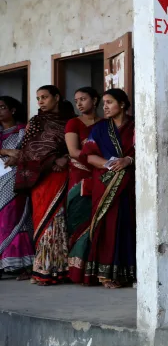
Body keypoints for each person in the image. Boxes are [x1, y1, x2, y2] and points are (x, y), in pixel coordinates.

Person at [76, 89, 136, 288]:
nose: (105, 107)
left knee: (127, 224)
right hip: (105, 183)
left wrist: (128, 160)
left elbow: (145, 150)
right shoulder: (100, 128)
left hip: (129, 184)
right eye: (104, 104)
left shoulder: (137, 126)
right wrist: (111, 165)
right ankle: (105, 275)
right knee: (106, 225)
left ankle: (126, 273)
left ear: (122, 104)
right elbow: (89, 156)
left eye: (110, 102)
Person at [15, 85, 74, 285]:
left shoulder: (70, 120)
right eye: (38, 98)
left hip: (64, 174)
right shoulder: (36, 122)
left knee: (61, 219)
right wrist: (53, 159)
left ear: (56, 97)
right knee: (45, 220)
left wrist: (65, 158)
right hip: (41, 177)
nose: (40, 101)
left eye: (44, 97)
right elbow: (29, 151)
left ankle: (62, 268)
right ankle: (44, 268)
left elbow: (79, 146)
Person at [65, 87, 101, 283]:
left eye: (83, 99)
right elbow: (73, 151)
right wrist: (99, 160)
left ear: (94, 100)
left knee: (98, 221)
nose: (79, 103)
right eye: (76, 100)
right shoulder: (73, 123)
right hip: (80, 177)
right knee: (79, 221)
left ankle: (94, 270)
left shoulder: (105, 123)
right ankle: (77, 270)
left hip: (101, 175)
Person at [0, 96, 33, 279]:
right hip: (0, 178)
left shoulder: (23, 131)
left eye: (2, 107)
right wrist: (5, 151)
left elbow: (31, 152)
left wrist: (18, 157)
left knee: (11, 217)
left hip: (15, 180)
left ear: (12, 110)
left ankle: (18, 262)